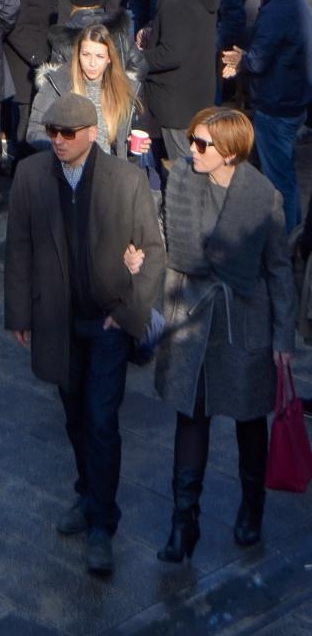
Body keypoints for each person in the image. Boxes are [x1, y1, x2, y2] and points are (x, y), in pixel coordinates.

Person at [4, 91, 165, 576]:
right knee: (74, 414)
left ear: (92, 134)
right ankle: (86, 488)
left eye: (67, 133)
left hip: (108, 320)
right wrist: (19, 315)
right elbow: (19, 248)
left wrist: (132, 313)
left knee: (101, 419)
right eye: (52, 131)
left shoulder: (125, 180)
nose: (57, 140)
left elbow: (154, 252)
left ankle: (102, 522)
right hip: (58, 318)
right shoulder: (32, 176)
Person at [154, 108, 295, 562]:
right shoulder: (182, 184)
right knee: (190, 417)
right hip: (192, 320)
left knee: (250, 419)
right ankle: (183, 522)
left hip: (243, 323)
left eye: (201, 145)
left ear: (230, 153)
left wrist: (282, 340)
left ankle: (252, 508)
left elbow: (278, 270)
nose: (191, 151)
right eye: (192, 141)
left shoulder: (263, 197)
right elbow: (162, 237)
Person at [221, 0, 312, 232]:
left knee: (279, 177)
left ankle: (285, 239)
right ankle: (290, 231)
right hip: (291, 99)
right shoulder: (294, 1)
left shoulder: (278, 8)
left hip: (277, 102)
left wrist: (241, 60)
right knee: (280, 173)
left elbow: (260, 60)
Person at [140, 0, 220, 165]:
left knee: (183, 169)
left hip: (176, 101)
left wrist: (137, 59)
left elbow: (171, 54)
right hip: (196, 92)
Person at [28, 23, 141, 154]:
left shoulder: (123, 89)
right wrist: (63, 146)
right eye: (86, 55)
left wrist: (130, 145)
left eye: (100, 56)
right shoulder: (57, 84)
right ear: (78, 54)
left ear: (109, 58)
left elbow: (123, 147)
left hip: (107, 170)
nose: (92, 63)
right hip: (64, 167)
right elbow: (34, 131)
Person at [4, 0, 59, 149]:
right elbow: (16, 26)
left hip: (39, 58)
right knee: (23, 125)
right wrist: (38, 58)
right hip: (24, 64)